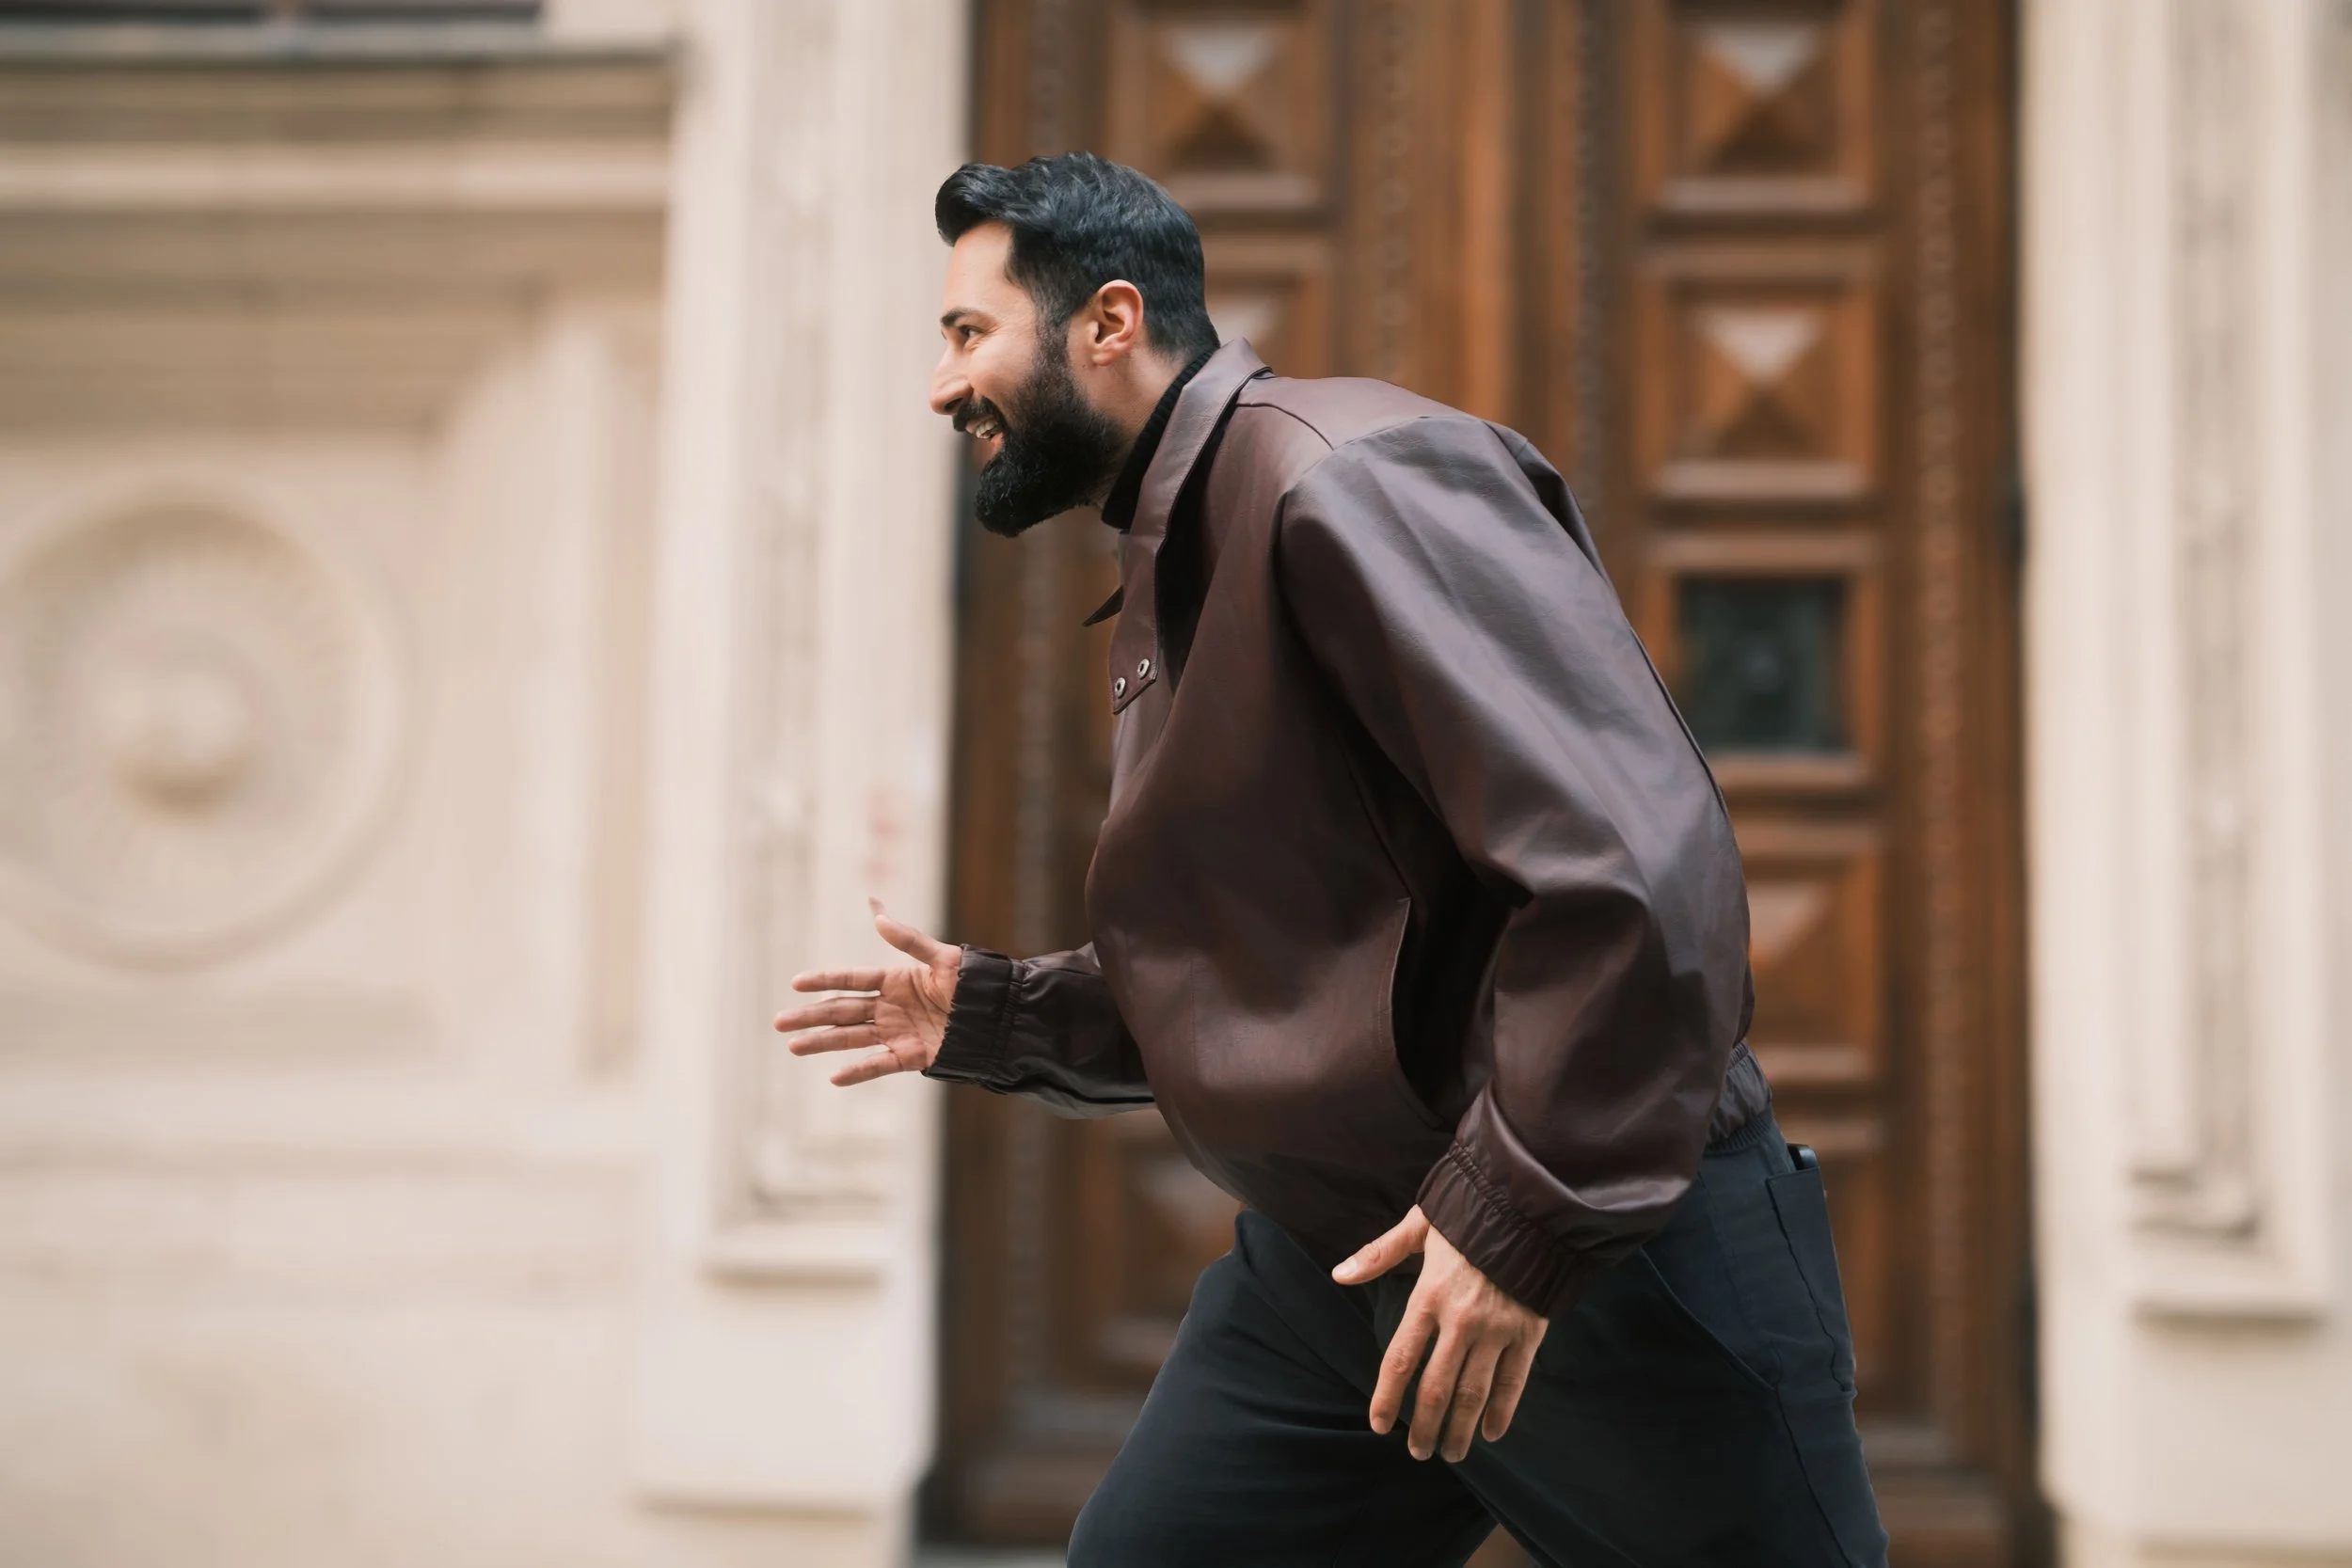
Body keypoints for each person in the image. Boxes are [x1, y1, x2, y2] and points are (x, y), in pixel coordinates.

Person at [772, 151, 1887, 1568]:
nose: (943, 387)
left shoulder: (1349, 478)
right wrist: (994, 1013)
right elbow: (1288, 966)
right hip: (1343, 1267)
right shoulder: (1192, 543)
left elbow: (1637, 867)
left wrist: (1519, 1213)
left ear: (1108, 325)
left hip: (1609, 1268)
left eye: (966, 333)